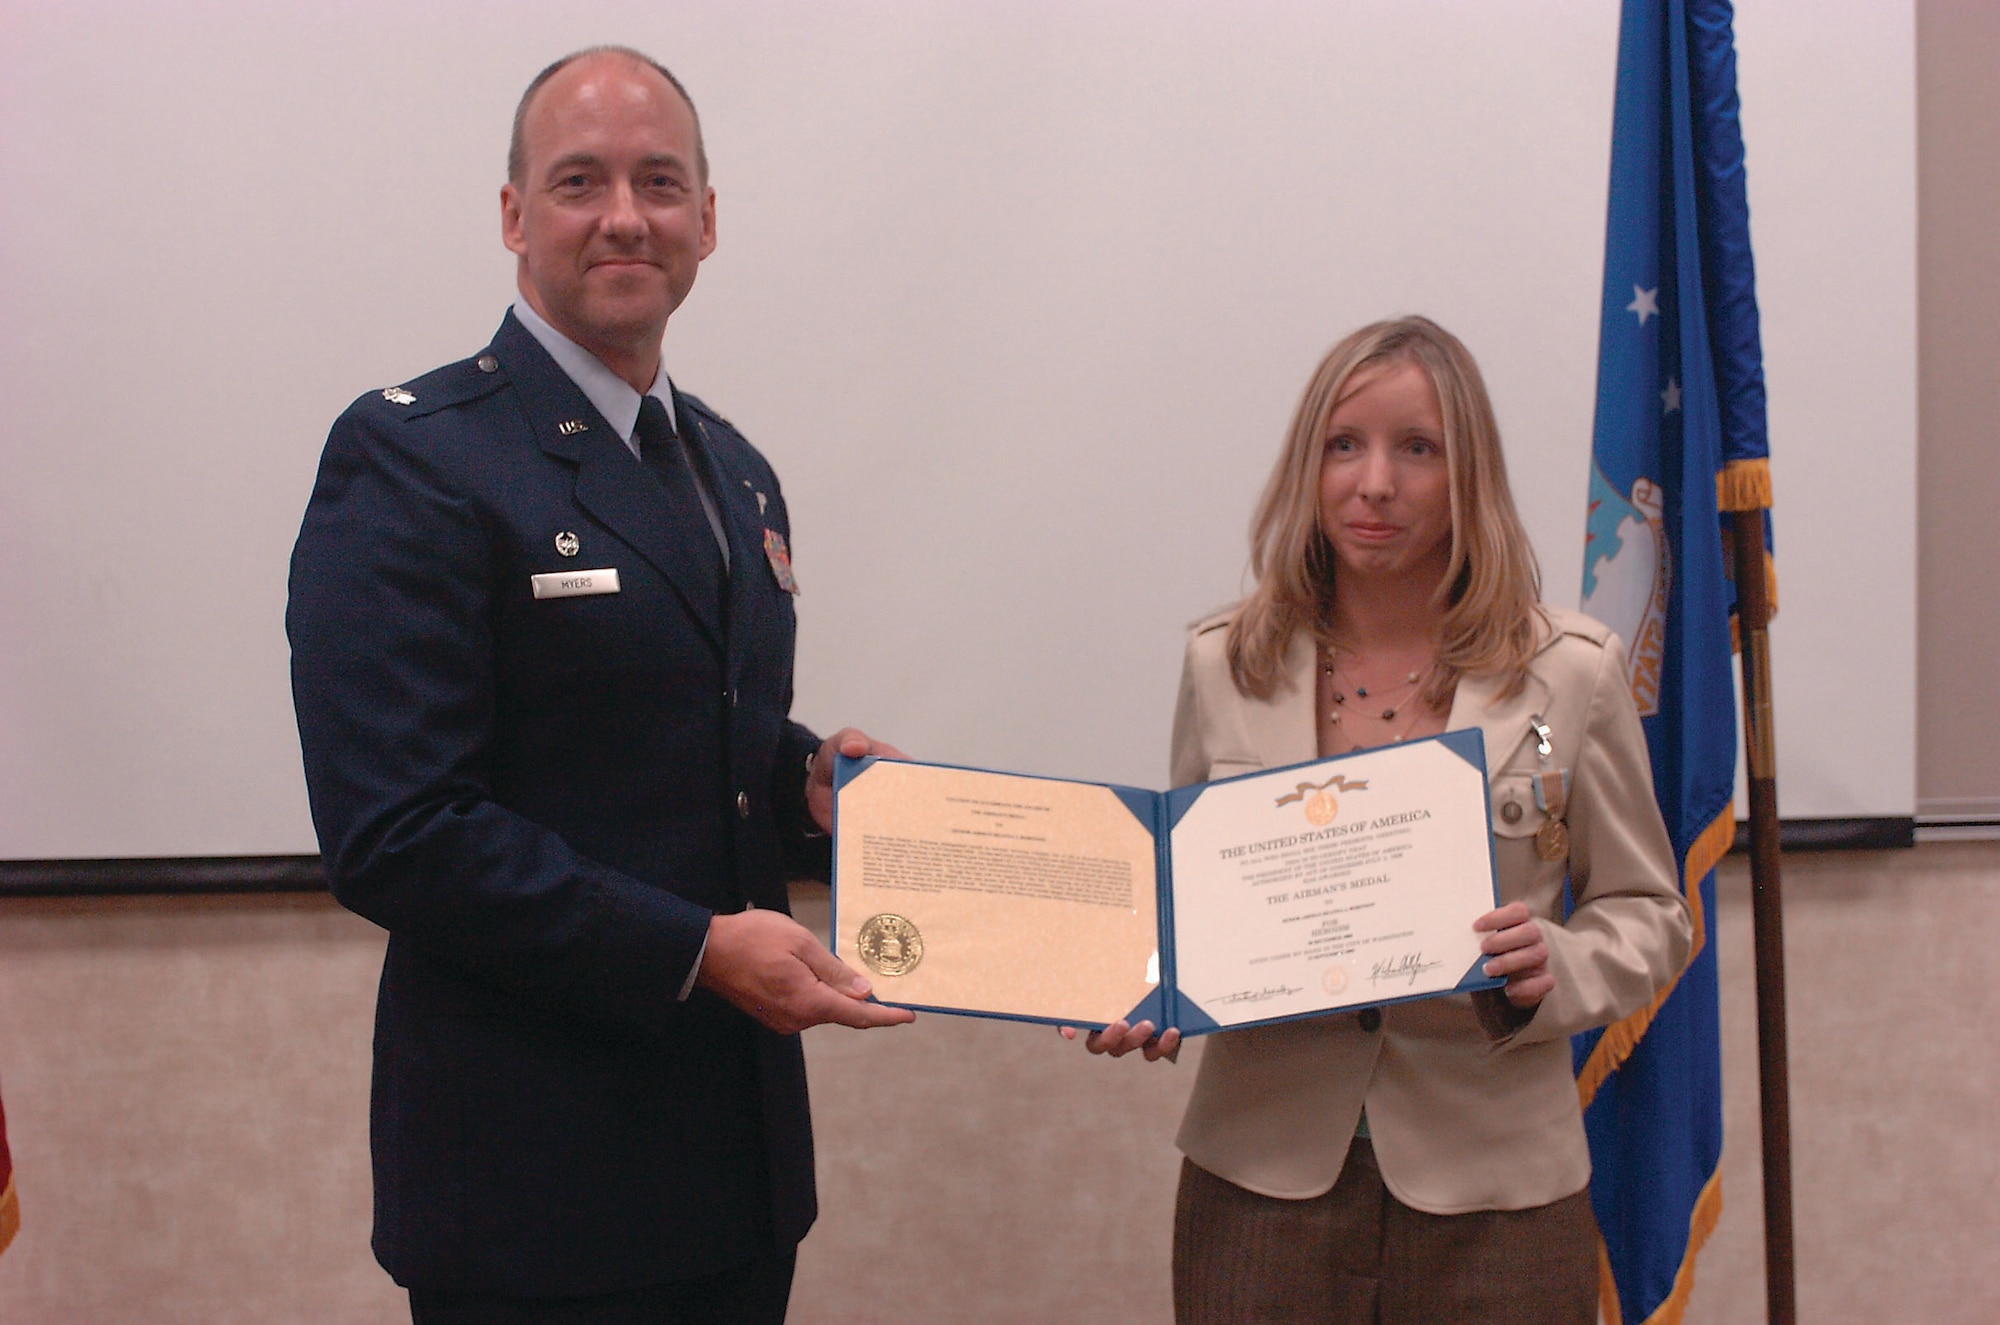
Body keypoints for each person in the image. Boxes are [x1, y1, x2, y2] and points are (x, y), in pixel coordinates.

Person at [287, 46, 912, 1325]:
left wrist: (807, 782)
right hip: (530, 1185)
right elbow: (395, 831)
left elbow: (675, 725)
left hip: (732, 1168)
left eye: (659, 182)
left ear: (707, 223)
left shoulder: (731, 470)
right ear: (514, 215)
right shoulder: (414, 456)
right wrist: (692, 948)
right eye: (580, 181)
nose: (625, 214)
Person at [1077, 317, 1691, 1323]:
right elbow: (1184, 899)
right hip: (1261, 1180)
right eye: (1343, 444)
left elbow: (1648, 912)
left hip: (1496, 1192)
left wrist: (1557, 967)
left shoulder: (1567, 672)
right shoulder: (1225, 662)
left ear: (1467, 476)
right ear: (1306, 464)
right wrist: (1145, 986)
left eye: (1416, 448)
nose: (1373, 483)